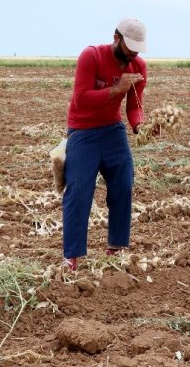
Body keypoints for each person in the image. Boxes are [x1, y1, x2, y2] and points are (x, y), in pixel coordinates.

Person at [62, 18, 148, 271]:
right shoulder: (92, 56)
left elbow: (135, 106)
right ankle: (72, 257)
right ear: (116, 37)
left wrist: (139, 126)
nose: (133, 53)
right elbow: (80, 100)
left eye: (137, 48)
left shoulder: (138, 66)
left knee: (124, 185)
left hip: (113, 131)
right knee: (78, 192)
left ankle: (116, 247)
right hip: (82, 132)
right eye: (129, 46)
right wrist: (116, 88)